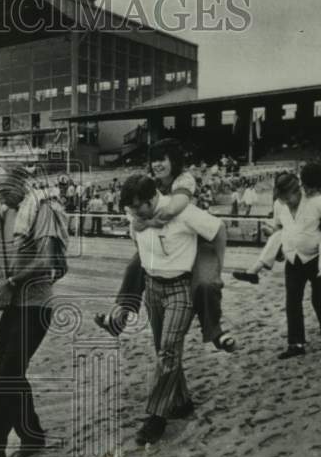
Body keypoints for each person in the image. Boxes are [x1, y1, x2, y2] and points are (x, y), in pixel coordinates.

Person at [0, 164, 69, 457]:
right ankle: (32, 434)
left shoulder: (43, 208)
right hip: (12, 305)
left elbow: (47, 260)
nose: (0, 195)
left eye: (5, 188)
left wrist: (11, 280)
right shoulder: (6, 211)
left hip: (36, 305)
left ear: (21, 182)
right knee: (13, 372)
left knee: (9, 373)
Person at [95, 139, 236, 353]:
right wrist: (143, 225)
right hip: (168, 242)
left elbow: (171, 210)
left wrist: (218, 264)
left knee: (207, 283)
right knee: (134, 268)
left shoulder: (184, 180)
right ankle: (119, 318)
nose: (157, 165)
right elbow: (137, 219)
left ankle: (215, 330)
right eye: (154, 160)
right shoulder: (152, 182)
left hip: (197, 240)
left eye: (162, 159)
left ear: (175, 160)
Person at [119, 174, 223, 444]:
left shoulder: (184, 212)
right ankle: (182, 401)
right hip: (152, 288)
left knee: (167, 349)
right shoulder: (135, 216)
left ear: (153, 197)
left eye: (138, 206)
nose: (134, 212)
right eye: (130, 208)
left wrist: (215, 271)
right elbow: (137, 240)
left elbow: (218, 229)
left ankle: (156, 417)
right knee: (164, 350)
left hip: (180, 288)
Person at [269, 167, 321, 358]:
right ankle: (296, 344)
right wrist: (279, 248)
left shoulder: (317, 202)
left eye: (288, 198)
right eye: (282, 199)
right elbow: (278, 228)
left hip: (316, 258)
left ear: (297, 190)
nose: (286, 202)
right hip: (293, 259)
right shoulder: (280, 205)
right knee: (292, 302)